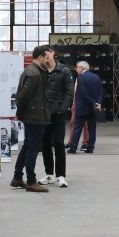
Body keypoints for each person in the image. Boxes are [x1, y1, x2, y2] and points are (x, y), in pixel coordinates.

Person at [10, 45, 52, 192]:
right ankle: (31, 181)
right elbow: (22, 96)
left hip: (33, 115)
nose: (49, 60)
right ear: (40, 57)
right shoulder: (34, 74)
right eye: (47, 58)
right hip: (35, 117)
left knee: (28, 146)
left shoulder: (33, 71)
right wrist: (20, 112)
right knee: (32, 149)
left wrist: (21, 113)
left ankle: (17, 177)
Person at [41, 49, 75, 188]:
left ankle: (61, 175)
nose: (46, 58)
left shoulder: (64, 71)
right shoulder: (41, 71)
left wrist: (63, 109)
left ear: (53, 53)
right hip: (43, 114)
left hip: (58, 113)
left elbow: (69, 92)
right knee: (45, 144)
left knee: (59, 143)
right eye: (43, 56)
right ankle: (49, 174)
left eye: (47, 55)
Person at [66, 60, 104, 154]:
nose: (76, 69)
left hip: (82, 107)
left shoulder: (80, 78)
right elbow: (100, 91)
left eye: (77, 68)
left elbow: (83, 93)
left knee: (77, 127)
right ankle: (90, 147)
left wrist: (93, 103)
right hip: (93, 108)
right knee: (92, 128)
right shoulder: (96, 77)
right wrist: (98, 103)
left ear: (81, 68)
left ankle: (73, 147)